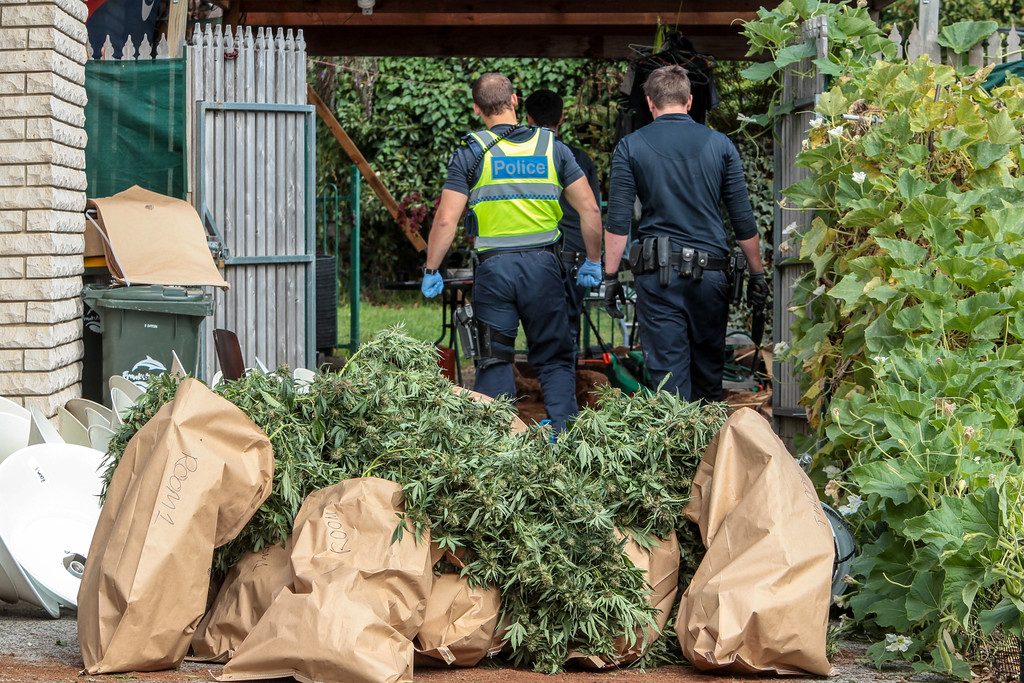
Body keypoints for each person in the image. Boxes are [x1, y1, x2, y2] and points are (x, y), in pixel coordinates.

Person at [421, 73, 604, 431]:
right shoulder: (553, 148)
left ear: (477, 109)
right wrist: (594, 261)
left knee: (494, 358)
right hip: (544, 269)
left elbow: (446, 220)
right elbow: (591, 211)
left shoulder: (471, 152)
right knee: (554, 358)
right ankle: (564, 440)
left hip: (495, 271)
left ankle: (498, 445)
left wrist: (432, 270)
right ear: (515, 101)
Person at [602, 64, 768, 402]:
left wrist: (609, 277)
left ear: (650, 103)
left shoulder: (631, 146)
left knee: (669, 382)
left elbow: (618, 221)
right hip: (711, 278)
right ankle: (710, 451)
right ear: (689, 101)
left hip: (660, 278)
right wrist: (757, 274)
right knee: (708, 376)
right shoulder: (721, 146)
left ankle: (678, 453)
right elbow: (743, 221)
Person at [524, 89, 603, 352]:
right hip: (574, 256)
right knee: (568, 329)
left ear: (528, 119)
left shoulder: (519, 159)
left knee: (537, 327)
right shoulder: (578, 158)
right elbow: (591, 211)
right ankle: (565, 384)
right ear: (562, 119)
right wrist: (594, 259)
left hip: (534, 255)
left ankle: (541, 384)